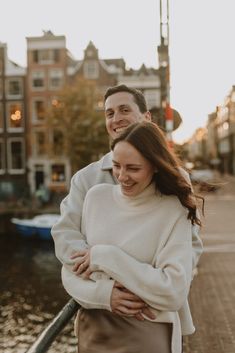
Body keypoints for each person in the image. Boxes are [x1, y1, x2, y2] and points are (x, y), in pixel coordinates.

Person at [61, 121, 203, 353]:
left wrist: (106, 256)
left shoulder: (172, 209)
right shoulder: (96, 198)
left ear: (155, 166)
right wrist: (104, 295)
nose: (122, 176)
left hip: (146, 331)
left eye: (133, 168)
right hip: (93, 330)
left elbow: (173, 291)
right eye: (116, 166)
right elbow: (70, 273)